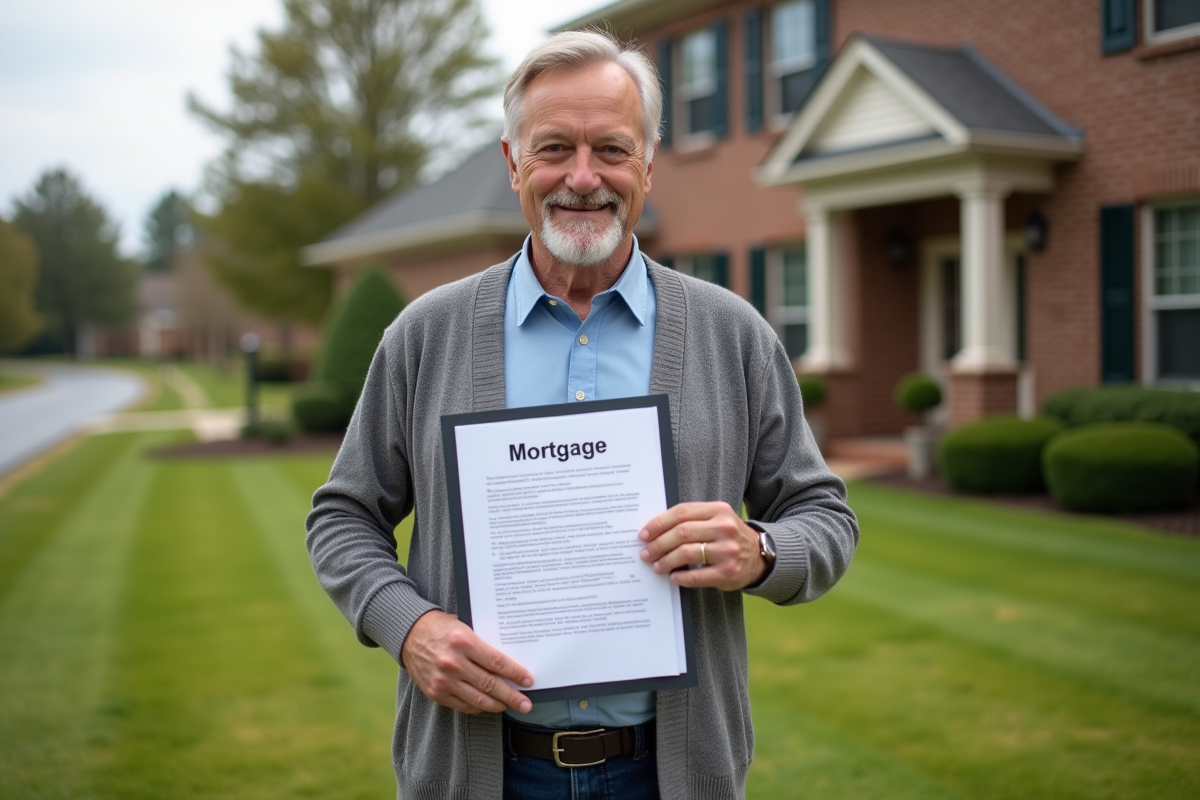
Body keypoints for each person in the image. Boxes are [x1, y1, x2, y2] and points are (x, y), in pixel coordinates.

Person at [306, 29, 859, 800]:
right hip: (480, 771)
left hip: (670, 773)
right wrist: (410, 626)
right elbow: (342, 515)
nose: (582, 177)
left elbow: (824, 516)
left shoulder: (731, 333)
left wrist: (761, 550)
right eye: (554, 148)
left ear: (650, 166)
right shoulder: (425, 336)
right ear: (511, 164)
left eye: (612, 149)